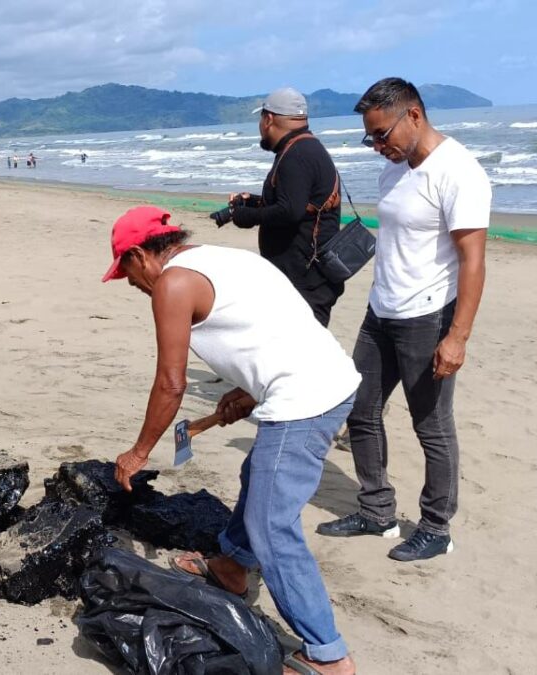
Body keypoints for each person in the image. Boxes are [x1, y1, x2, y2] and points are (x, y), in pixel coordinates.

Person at [105, 206, 360, 675]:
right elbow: (279, 326)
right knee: (258, 472)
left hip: (305, 400)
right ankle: (231, 567)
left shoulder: (172, 284)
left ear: (140, 255)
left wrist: (138, 451)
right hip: (326, 379)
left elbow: (171, 383)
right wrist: (250, 388)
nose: (129, 282)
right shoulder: (226, 258)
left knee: (272, 527)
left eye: (125, 270)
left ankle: (328, 655)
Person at [317, 78, 490, 562]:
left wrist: (458, 336)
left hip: (429, 316)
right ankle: (377, 511)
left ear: (413, 115)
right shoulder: (394, 170)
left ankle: (436, 528)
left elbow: (473, 260)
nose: (376, 146)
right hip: (381, 311)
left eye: (381, 134)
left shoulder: (459, 172)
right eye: (369, 137)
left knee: (431, 426)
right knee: (360, 409)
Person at [226, 87, 345, 327]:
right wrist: (255, 202)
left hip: (306, 279)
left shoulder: (297, 153)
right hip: (307, 275)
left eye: (260, 119)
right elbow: (296, 202)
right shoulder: (305, 147)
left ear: (268, 119)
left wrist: (245, 216)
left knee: (300, 354)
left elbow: (290, 211)